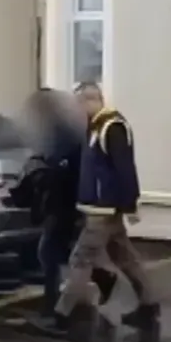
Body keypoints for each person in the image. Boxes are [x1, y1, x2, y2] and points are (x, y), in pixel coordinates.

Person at [55, 82, 159, 328]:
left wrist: (130, 204)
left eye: (78, 105)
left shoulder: (113, 127)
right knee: (125, 257)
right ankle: (148, 306)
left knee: (81, 258)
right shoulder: (95, 126)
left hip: (103, 209)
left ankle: (62, 315)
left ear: (90, 101)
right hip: (101, 208)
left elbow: (125, 168)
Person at [14, 88, 118, 329]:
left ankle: (56, 310)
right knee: (68, 252)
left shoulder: (78, 134)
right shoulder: (75, 131)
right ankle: (103, 283)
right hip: (72, 202)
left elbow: (71, 168)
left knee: (51, 252)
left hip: (71, 202)